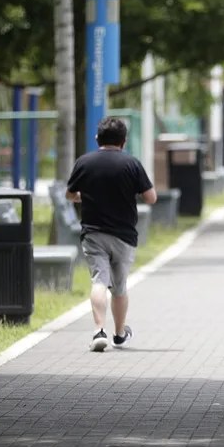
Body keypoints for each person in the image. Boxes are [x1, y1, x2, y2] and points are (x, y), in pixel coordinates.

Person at [66, 117, 157, 352]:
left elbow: (70, 194)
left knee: (99, 280)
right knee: (119, 287)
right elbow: (151, 197)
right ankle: (119, 334)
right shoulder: (131, 163)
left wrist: (83, 197)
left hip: (93, 233)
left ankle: (99, 331)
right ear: (123, 141)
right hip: (124, 236)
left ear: (98, 138)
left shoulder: (84, 162)